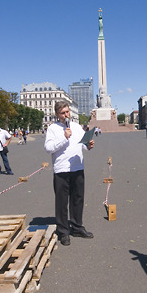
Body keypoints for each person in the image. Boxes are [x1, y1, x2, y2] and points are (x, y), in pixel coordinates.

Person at [44, 101, 96, 246]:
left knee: (77, 199)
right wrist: (64, 137)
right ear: (57, 114)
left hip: (77, 167)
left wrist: (88, 145)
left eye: (67, 112)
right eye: (63, 113)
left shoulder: (77, 127)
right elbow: (48, 148)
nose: (66, 115)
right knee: (62, 202)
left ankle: (77, 226)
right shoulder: (53, 128)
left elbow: (82, 144)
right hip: (61, 170)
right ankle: (63, 231)